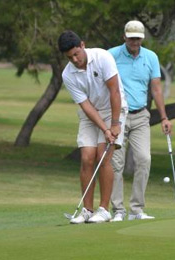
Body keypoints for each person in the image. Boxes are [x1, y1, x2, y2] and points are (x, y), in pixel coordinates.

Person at [58, 30, 128, 224]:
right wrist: (104, 129)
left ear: (82, 45)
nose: (74, 59)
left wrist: (113, 125)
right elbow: (86, 106)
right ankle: (87, 210)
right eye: (69, 57)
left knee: (103, 156)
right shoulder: (68, 74)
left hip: (113, 109)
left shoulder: (102, 57)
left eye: (76, 54)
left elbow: (115, 91)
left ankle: (104, 209)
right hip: (90, 114)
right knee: (87, 158)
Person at [108, 20, 173, 221]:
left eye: (138, 38)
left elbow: (156, 89)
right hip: (118, 118)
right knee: (116, 164)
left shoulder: (151, 57)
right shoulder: (111, 55)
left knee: (144, 159)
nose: (135, 42)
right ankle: (118, 210)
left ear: (142, 38)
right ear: (124, 37)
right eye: (131, 38)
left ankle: (136, 210)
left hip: (141, 116)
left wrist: (163, 117)